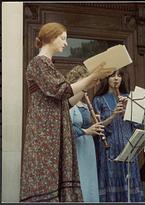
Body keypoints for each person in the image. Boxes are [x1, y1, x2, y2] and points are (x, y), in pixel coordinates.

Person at [20, 22, 113, 202]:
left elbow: (65, 102)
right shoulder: (38, 62)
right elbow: (62, 90)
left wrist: (88, 84)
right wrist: (92, 77)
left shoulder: (47, 64)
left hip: (53, 132)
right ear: (51, 37)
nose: (65, 43)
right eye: (62, 38)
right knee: (46, 182)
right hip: (45, 134)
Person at [92, 70, 144, 202]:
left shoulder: (129, 98)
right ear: (106, 79)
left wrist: (129, 111)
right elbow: (97, 127)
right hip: (109, 148)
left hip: (128, 145)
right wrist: (113, 115)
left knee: (129, 180)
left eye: (119, 75)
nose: (116, 79)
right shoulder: (98, 100)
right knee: (111, 182)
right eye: (112, 76)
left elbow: (137, 125)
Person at [66, 65, 105, 202]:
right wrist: (86, 131)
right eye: (84, 80)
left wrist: (95, 126)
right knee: (80, 179)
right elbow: (66, 127)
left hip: (87, 146)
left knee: (90, 181)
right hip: (75, 147)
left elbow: (90, 127)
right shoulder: (68, 103)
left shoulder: (84, 103)